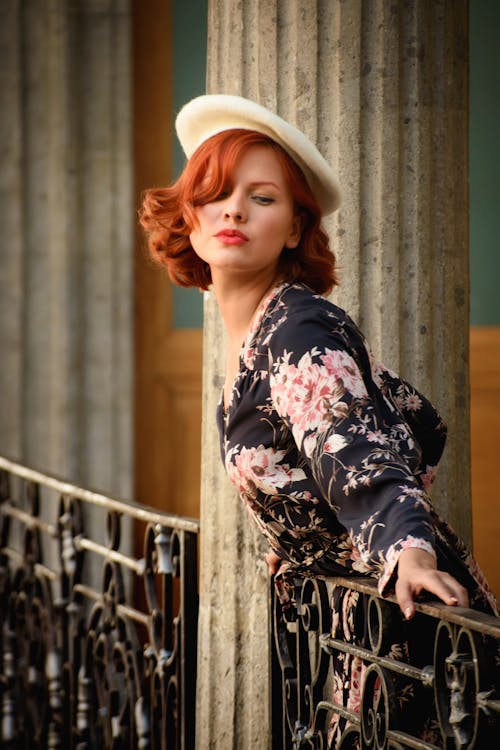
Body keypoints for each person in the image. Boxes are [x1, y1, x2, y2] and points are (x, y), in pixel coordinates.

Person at [140, 94, 497, 743]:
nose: (236, 210)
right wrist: (302, 535)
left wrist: (406, 546)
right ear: (189, 220)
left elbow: (351, 447)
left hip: (402, 620)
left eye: (264, 198)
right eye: (215, 192)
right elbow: (418, 420)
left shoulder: (299, 327)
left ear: (297, 229)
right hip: (352, 624)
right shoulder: (258, 331)